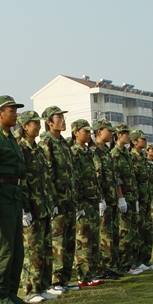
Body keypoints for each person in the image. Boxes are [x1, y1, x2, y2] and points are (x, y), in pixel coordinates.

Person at [0, 95, 30, 304]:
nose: (15, 113)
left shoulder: (11, 139)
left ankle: (12, 292)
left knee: (17, 249)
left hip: (14, 197)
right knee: (3, 248)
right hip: (1, 198)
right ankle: (2, 295)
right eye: (11, 110)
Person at [19, 110, 57, 301]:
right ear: (25, 126)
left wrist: (51, 202)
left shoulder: (39, 150)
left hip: (44, 207)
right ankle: (31, 290)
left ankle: (43, 286)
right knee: (32, 251)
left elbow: (46, 179)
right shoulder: (22, 149)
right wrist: (25, 209)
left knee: (45, 249)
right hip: (31, 209)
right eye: (34, 123)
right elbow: (22, 181)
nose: (38, 126)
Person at [39, 106, 75, 293]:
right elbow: (47, 174)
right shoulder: (47, 143)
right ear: (49, 122)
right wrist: (51, 200)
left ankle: (65, 278)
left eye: (63, 117)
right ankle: (55, 280)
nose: (62, 120)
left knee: (69, 240)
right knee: (57, 241)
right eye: (58, 117)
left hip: (68, 200)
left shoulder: (63, 143)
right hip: (57, 201)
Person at [69, 119, 104, 287]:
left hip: (92, 201)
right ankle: (83, 276)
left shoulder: (88, 152)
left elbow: (94, 178)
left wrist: (100, 198)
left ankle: (92, 272)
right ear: (76, 132)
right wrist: (77, 204)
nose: (88, 134)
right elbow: (74, 179)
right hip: (82, 202)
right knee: (83, 240)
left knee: (94, 238)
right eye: (85, 131)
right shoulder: (74, 152)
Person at [111, 124, 142, 275]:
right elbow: (117, 179)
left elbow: (131, 177)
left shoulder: (126, 154)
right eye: (126, 134)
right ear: (119, 135)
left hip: (131, 196)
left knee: (132, 232)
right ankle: (124, 265)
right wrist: (121, 197)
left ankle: (132, 263)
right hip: (123, 198)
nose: (128, 136)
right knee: (124, 233)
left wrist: (134, 197)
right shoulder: (115, 154)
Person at [92, 120, 120, 279]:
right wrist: (100, 198)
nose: (111, 134)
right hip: (103, 199)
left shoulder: (106, 151)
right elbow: (97, 176)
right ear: (99, 131)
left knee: (112, 232)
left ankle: (111, 265)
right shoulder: (95, 151)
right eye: (108, 131)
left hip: (112, 198)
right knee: (104, 235)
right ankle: (103, 268)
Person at [131, 129, 153, 269]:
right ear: (134, 141)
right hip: (138, 199)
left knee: (147, 229)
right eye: (142, 139)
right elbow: (133, 180)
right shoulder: (132, 157)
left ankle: (146, 260)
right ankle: (137, 260)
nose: (145, 141)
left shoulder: (143, 158)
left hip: (146, 198)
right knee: (139, 231)